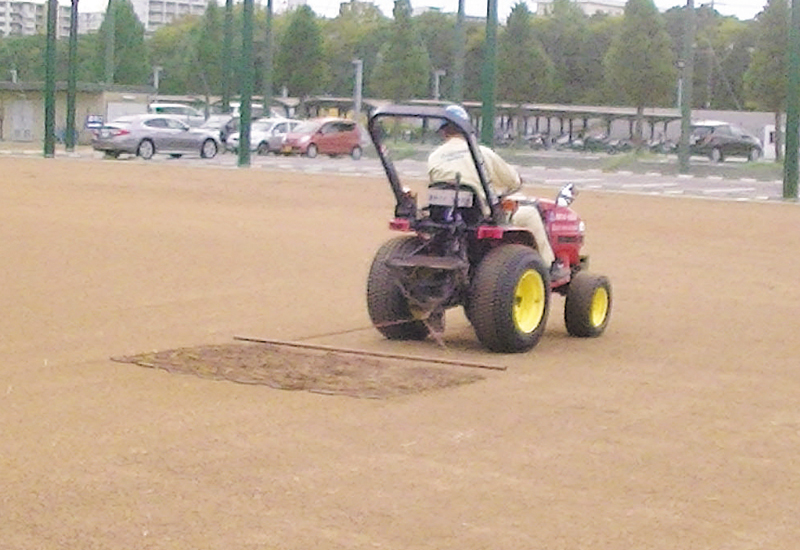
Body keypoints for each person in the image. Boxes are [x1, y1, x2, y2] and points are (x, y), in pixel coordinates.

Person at [427, 104, 569, 281]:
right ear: (467, 128)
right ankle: (549, 266)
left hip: (446, 217)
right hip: (478, 217)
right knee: (530, 214)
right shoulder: (482, 153)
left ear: (443, 131)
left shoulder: (434, 156)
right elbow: (512, 181)